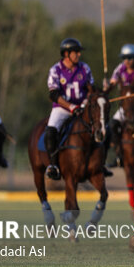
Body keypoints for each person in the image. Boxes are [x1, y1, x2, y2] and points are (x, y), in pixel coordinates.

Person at [44, 38, 112, 180]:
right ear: (66, 54)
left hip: (83, 108)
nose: (79, 55)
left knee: (105, 127)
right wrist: (70, 106)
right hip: (62, 108)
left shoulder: (84, 68)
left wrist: (103, 89)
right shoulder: (55, 70)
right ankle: (53, 165)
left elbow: (91, 89)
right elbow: (53, 94)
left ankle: (101, 163)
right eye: (76, 52)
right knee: (50, 130)